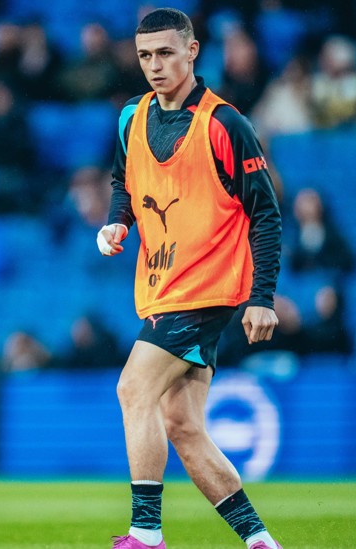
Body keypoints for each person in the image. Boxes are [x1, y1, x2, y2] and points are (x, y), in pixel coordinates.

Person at [95, 9, 282, 549]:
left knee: (133, 388)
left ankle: (146, 534)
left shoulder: (225, 124)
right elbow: (122, 181)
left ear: (192, 51)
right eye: (145, 55)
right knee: (182, 424)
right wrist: (117, 221)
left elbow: (265, 214)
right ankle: (259, 541)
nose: (155, 66)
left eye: (166, 53)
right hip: (160, 288)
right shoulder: (132, 117)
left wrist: (262, 296)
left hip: (206, 290)